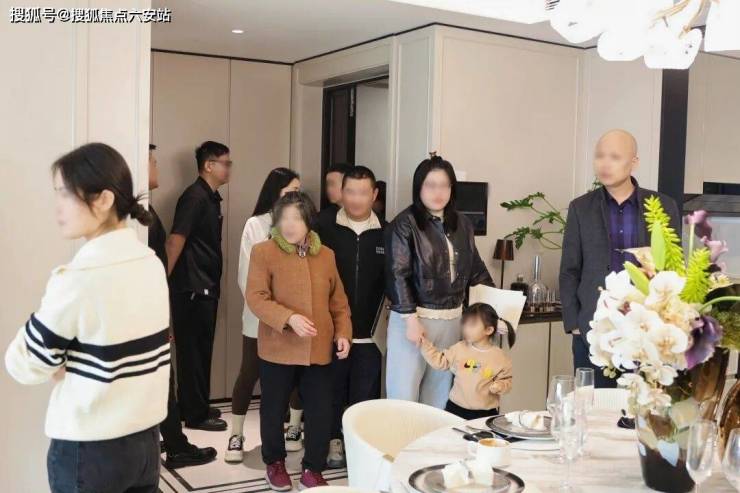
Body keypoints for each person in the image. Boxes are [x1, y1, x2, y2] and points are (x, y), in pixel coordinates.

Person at [5, 143, 169, 492]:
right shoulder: (150, 262)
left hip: (90, 451)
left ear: (104, 199)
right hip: (145, 444)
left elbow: (23, 363)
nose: (58, 206)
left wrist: (65, 364)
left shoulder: (78, 278)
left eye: (65, 194)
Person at [559, 129, 681, 388]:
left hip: (646, 331)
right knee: (592, 405)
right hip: (593, 330)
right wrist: (574, 324)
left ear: (634, 162)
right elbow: (569, 269)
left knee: (642, 405)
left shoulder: (662, 205)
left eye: (614, 157)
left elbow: (672, 268)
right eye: (600, 156)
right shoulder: (581, 207)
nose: (605, 164)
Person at [246, 191, 352, 491]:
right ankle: (275, 464)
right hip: (278, 347)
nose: (290, 224)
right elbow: (256, 297)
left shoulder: (326, 255)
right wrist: (288, 318)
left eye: (297, 218)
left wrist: (343, 333)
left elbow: (339, 302)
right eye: (284, 218)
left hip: (318, 348)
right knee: (273, 408)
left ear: (308, 221)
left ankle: (313, 468)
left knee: (320, 409)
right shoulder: (264, 251)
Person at [385, 153, 494, 408]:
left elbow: (476, 270)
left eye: (444, 185)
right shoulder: (405, 224)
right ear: (419, 188)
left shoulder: (462, 224)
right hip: (414, 321)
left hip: (452, 320)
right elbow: (398, 274)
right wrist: (411, 320)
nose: (438, 192)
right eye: (431, 185)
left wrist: (494, 312)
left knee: (439, 396)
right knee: (404, 395)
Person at [148, 144, 217, 468]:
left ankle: (174, 439)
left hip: (158, 301)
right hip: (161, 300)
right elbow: (173, 243)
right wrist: (162, 293)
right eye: (152, 160)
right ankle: (177, 443)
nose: (156, 166)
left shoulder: (145, 209)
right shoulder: (193, 198)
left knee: (167, 376)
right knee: (168, 374)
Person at [226, 167, 300, 463]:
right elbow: (247, 275)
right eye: (290, 191)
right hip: (258, 315)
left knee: (295, 372)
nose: (295, 197)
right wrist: (269, 308)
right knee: (249, 372)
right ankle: (236, 434)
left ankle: (294, 427)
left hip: (293, 316)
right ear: (275, 192)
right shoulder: (255, 225)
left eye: (298, 191)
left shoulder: (301, 224)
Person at [315, 165, 386, 469]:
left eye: (363, 192)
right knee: (330, 389)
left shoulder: (387, 232)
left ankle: (357, 443)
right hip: (332, 329)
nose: (356, 199)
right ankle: (333, 440)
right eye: (350, 192)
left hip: (371, 332)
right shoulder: (322, 227)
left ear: (374, 194)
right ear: (341, 193)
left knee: (364, 393)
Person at [166, 141, 230, 431]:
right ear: (208, 165)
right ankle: (194, 414)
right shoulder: (194, 197)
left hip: (205, 286)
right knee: (192, 351)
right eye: (225, 163)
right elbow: (176, 240)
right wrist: (162, 281)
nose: (229, 169)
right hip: (192, 288)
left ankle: (196, 404)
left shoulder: (210, 198)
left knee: (201, 349)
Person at [421, 303, 514, 420]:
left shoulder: (500, 357)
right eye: (465, 323)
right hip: (455, 409)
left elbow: (507, 380)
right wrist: (425, 345)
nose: (466, 329)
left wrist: (500, 385)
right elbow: (440, 362)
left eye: (472, 325)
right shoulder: (459, 348)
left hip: (484, 414)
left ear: (489, 330)